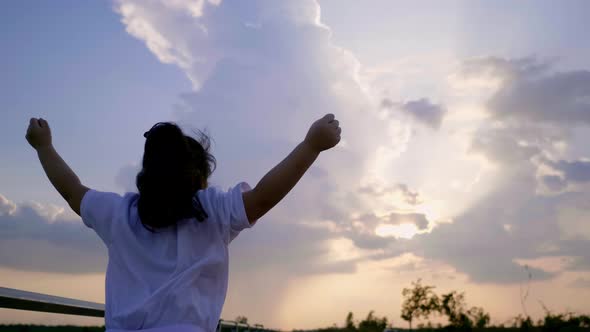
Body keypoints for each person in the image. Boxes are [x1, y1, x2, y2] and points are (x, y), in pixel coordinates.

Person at [25, 114, 342, 332]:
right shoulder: (212, 210)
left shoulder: (119, 213)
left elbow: (71, 190)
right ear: (201, 178)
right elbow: (261, 198)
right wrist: (311, 145)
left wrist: (44, 146)